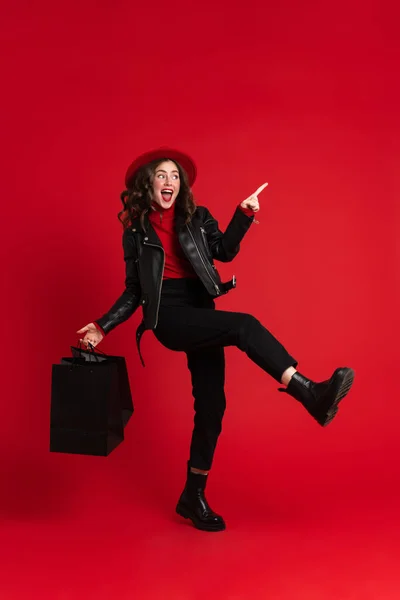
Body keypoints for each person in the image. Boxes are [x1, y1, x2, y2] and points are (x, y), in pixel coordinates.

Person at [76, 147, 354, 532]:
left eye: (175, 176)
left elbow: (223, 251)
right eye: (161, 175)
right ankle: (309, 392)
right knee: (243, 326)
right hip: (169, 317)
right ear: (148, 183)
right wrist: (103, 325)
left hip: (199, 310)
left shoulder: (196, 218)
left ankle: (193, 495)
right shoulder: (136, 232)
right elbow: (133, 290)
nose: (169, 182)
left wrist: (244, 213)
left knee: (212, 406)